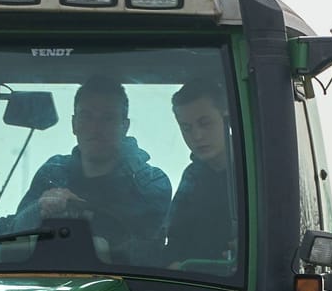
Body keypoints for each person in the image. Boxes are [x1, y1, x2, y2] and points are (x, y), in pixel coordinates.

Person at [16, 77, 170, 257]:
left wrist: (81, 211)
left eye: (108, 118)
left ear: (125, 126)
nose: (95, 128)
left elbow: (145, 252)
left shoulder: (151, 182)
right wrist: (41, 207)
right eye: (86, 116)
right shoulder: (53, 172)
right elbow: (13, 233)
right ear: (74, 124)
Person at [162, 84, 236, 265]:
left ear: (227, 118)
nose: (197, 136)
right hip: (194, 285)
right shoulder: (192, 176)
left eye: (205, 123)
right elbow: (174, 241)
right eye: (186, 128)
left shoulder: (256, 173)